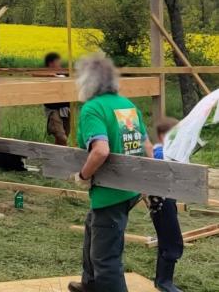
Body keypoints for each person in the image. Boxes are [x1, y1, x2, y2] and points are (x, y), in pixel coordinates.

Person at [67, 54, 153, 292]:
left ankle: (102, 283)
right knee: (92, 227)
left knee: (106, 257)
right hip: (129, 189)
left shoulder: (92, 108)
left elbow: (100, 151)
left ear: (87, 82)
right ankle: (90, 284)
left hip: (110, 192)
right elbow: (147, 146)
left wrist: (83, 176)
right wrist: (148, 182)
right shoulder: (127, 105)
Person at [149, 118, 184, 292]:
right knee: (172, 241)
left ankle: (161, 280)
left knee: (166, 239)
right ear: (164, 136)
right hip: (162, 203)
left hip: (167, 200)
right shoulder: (159, 153)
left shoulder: (168, 152)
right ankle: (164, 282)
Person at [44, 52, 71, 145]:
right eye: (57, 62)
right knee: (61, 136)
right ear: (51, 63)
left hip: (65, 109)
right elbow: (33, 75)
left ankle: (56, 156)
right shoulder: (45, 74)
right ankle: (65, 156)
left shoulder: (64, 73)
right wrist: (52, 76)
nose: (60, 64)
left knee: (65, 136)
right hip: (53, 109)